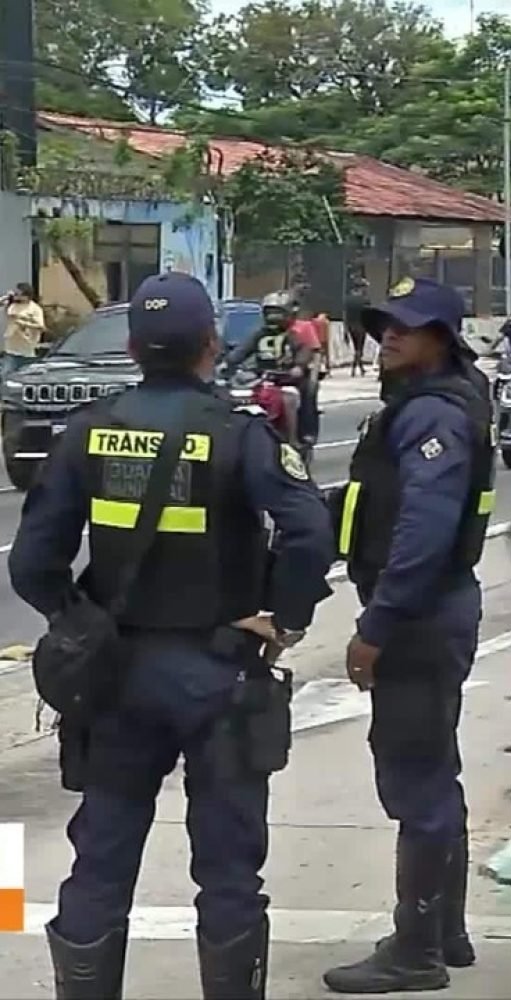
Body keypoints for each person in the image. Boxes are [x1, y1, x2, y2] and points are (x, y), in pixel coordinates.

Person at [9, 272, 335, 999]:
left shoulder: (88, 430)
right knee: (227, 865)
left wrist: (79, 622)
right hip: (218, 671)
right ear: (211, 346)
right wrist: (284, 618)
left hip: (114, 675)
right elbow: (311, 532)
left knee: (101, 855)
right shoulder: (239, 431)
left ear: (131, 348)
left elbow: (34, 563)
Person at [322, 276, 496, 994]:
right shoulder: (430, 405)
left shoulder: (433, 418)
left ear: (443, 339)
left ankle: (415, 949)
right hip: (434, 611)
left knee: (415, 782)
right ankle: (444, 931)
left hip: (420, 618)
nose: (390, 334)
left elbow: (422, 533)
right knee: (434, 773)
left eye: (409, 326)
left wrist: (377, 625)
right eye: (385, 323)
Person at [223, 290, 321, 445]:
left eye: (278, 313)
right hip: (261, 378)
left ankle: (295, 439)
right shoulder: (258, 334)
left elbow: (304, 350)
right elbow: (241, 351)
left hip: (287, 379)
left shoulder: (293, 335)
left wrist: (298, 367)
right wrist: (227, 363)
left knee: (298, 395)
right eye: (270, 313)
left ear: (289, 314)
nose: (273, 318)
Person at [4, 282, 46, 377]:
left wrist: (23, 323)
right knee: (6, 376)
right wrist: (7, 297)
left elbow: (41, 326)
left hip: (27, 350)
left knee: (27, 377)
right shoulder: (13, 305)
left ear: (26, 296)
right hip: (11, 349)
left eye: (18, 294)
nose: (16, 295)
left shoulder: (34, 309)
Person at [344, 276, 371, 377]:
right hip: (361, 326)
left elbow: (346, 315)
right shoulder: (364, 299)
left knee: (356, 348)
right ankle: (355, 368)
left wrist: (345, 330)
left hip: (351, 325)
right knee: (359, 349)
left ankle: (359, 368)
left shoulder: (348, 299)